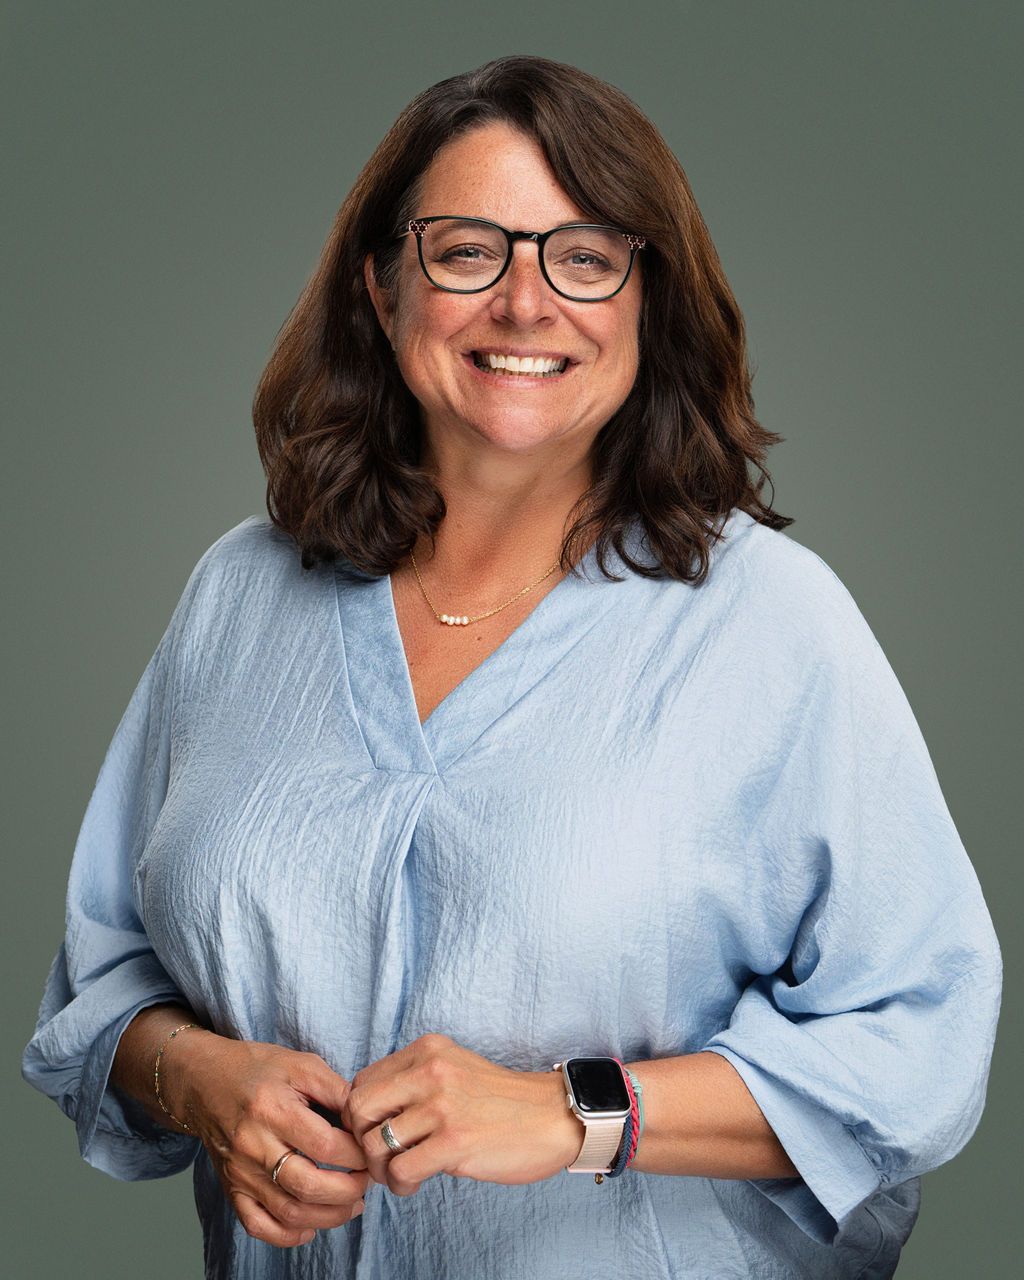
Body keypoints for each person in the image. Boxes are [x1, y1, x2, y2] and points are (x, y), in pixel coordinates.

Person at [22, 54, 1002, 1280]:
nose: (526, 303)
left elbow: (918, 1037)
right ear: (382, 290)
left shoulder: (771, 626)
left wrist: (576, 1111)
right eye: (467, 250)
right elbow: (106, 978)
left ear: (647, 302)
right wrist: (208, 1077)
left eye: (583, 255)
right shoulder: (240, 592)